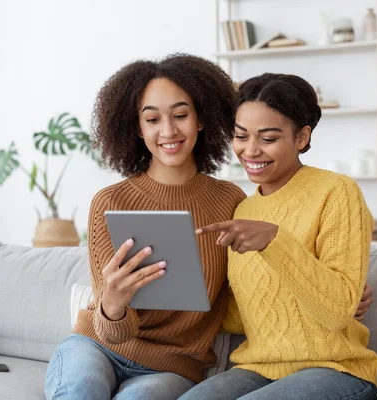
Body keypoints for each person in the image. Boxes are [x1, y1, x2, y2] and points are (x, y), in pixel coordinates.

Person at [44, 53, 246, 400]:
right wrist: (112, 302)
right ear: (138, 128)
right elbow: (111, 331)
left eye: (181, 115)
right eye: (152, 119)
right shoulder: (110, 202)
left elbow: (251, 286)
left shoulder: (230, 201)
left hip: (172, 367)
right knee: (80, 390)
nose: (168, 131)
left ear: (201, 119)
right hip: (96, 345)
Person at [180, 73, 377, 400]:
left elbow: (335, 311)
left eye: (269, 138)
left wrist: (276, 241)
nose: (250, 150)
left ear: (301, 137)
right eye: (241, 136)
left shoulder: (337, 192)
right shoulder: (243, 210)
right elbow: (242, 317)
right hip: (256, 368)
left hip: (335, 370)